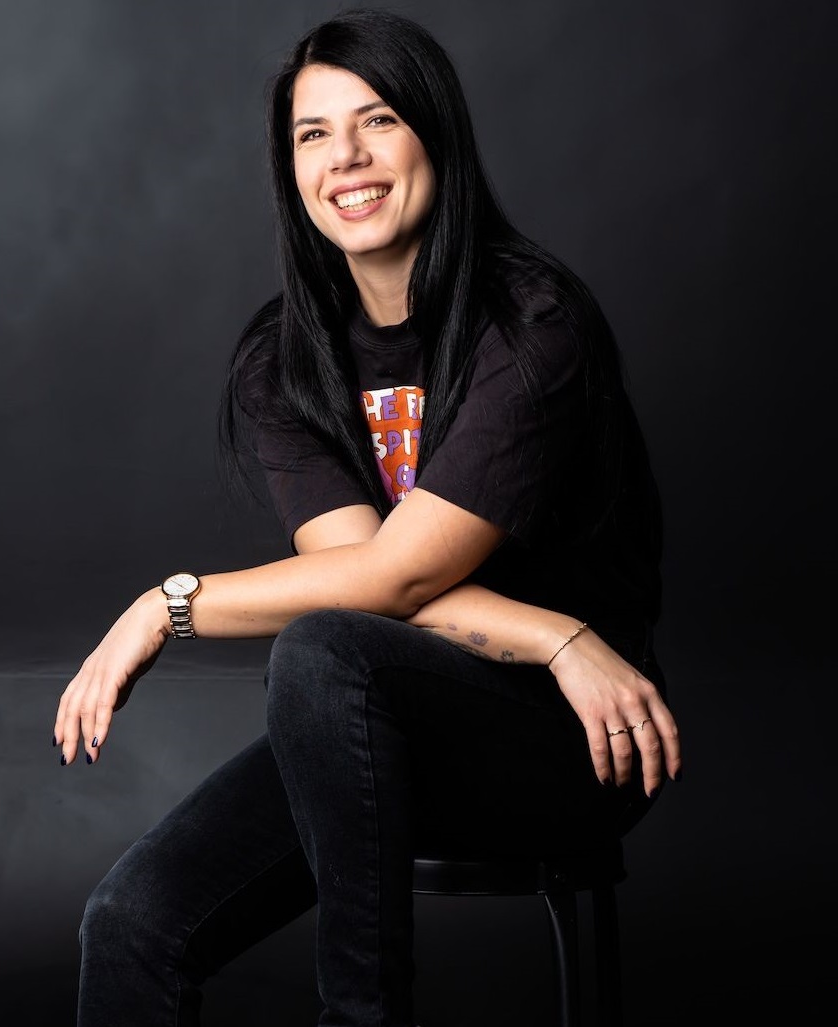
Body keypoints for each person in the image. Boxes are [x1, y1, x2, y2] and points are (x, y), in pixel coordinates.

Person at [52, 8, 682, 1026]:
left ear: (435, 134)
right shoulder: (284, 360)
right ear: (291, 169)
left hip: (577, 736)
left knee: (320, 648)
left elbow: (387, 584)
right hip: (380, 718)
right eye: (313, 133)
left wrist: (165, 607)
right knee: (130, 922)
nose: (344, 156)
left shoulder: (531, 323)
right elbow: (371, 578)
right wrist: (555, 634)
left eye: (377, 119)